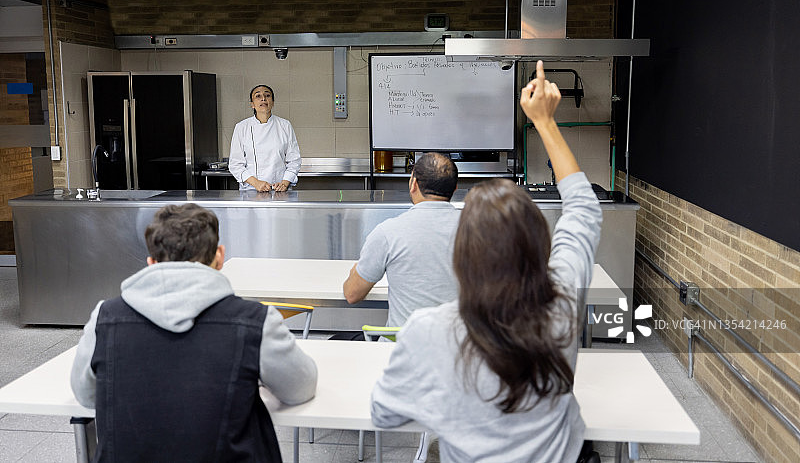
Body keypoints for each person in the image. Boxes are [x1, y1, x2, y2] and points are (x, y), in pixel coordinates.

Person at [369, 60, 603, 462]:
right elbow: (583, 208)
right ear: (537, 246)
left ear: (463, 257)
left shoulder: (430, 330)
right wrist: (544, 122)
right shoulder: (561, 304)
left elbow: (383, 413)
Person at [70, 203, 317, 462]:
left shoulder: (105, 317)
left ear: (151, 263)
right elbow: (300, 387)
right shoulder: (255, 321)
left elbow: (86, 394)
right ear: (219, 257)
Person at [343, 152, 460, 328]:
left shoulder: (387, 232)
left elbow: (352, 294)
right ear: (455, 189)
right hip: (459, 349)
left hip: (402, 348)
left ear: (413, 184)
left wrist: (355, 272)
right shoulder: (478, 231)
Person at [229, 84, 301, 192]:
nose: (263, 98)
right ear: (252, 104)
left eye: (267, 95)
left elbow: (294, 160)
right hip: (251, 190)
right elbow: (235, 164)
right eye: (258, 96)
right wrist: (256, 183)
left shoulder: (285, 125)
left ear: (272, 102)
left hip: (280, 190)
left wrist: (285, 182)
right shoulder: (242, 127)